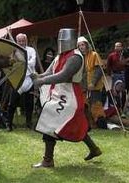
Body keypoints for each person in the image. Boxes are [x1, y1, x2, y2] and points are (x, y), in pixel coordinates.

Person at [31, 28, 101, 168]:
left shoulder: (75, 57)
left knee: (49, 121)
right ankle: (94, 149)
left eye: (63, 40)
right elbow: (49, 72)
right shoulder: (59, 56)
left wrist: (42, 81)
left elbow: (63, 75)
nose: (61, 43)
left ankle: (48, 160)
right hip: (59, 93)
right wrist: (37, 76)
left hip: (70, 96)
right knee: (76, 125)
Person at [6, 33, 36, 131]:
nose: (21, 42)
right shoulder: (13, 51)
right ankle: (8, 123)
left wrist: (23, 62)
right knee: (12, 103)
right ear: (17, 41)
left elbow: (33, 62)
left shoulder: (31, 50)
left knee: (29, 103)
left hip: (29, 79)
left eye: (23, 40)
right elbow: (11, 63)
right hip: (18, 79)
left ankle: (29, 122)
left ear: (25, 41)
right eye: (19, 41)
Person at [77, 36, 107, 129]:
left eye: (83, 45)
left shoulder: (94, 55)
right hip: (84, 87)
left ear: (87, 45)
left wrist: (93, 83)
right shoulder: (80, 57)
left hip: (94, 87)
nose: (81, 47)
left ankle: (102, 126)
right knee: (84, 106)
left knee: (96, 106)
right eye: (79, 46)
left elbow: (99, 70)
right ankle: (90, 126)